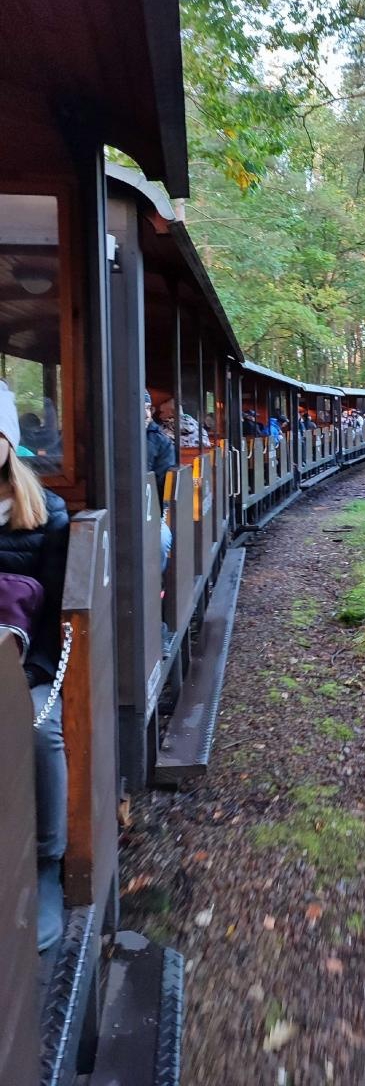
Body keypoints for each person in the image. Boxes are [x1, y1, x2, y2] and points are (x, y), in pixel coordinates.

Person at [0, 380, 69, 952]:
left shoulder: (48, 514)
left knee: (42, 730)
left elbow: (55, 617)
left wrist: (28, 674)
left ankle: (48, 862)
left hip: (29, 663)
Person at [145, 392, 176, 573]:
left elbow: (163, 483)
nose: (146, 414)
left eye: (148, 409)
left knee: (161, 541)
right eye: (140, 409)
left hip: (152, 509)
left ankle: (157, 581)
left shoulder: (161, 441)